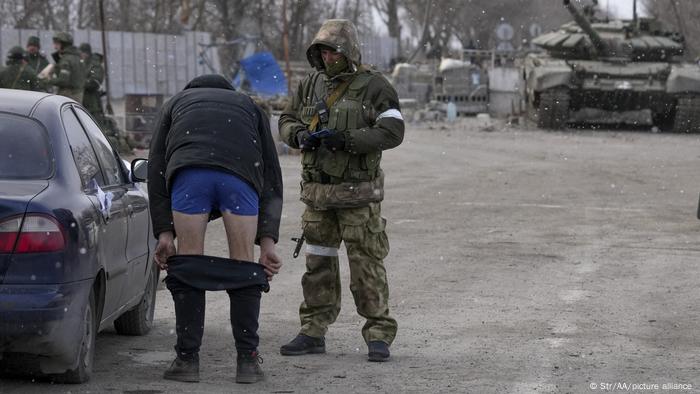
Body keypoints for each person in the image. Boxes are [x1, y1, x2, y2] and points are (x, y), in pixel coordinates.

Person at [278, 19, 404, 362]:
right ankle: (313, 331)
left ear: (348, 52)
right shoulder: (310, 84)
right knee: (317, 265)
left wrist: (347, 141)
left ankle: (378, 334)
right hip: (319, 197)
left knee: (366, 265)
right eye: (322, 50)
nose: (328, 56)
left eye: (333, 50)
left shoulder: (375, 86)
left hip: (358, 195)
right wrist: (299, 135)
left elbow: (393, 131)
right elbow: (286, 119)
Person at [148, 74, 283, 384]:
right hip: (239, 177)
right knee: (243, 266)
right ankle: (248, 362)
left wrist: (165, 235)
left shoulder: (175, 104)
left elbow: (155, 169)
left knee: (188, 263)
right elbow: (272, 176)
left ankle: (186, 361)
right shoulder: (248, 105)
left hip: (190, 174)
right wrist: (267, 244)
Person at [47, 32, 84, 102]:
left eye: (57, 44)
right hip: (78, 95)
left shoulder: (66, 59)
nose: (55, 47)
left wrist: (48, 80)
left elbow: (63, 81)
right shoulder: (77, 57)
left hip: (68, 96)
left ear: (63, 44)